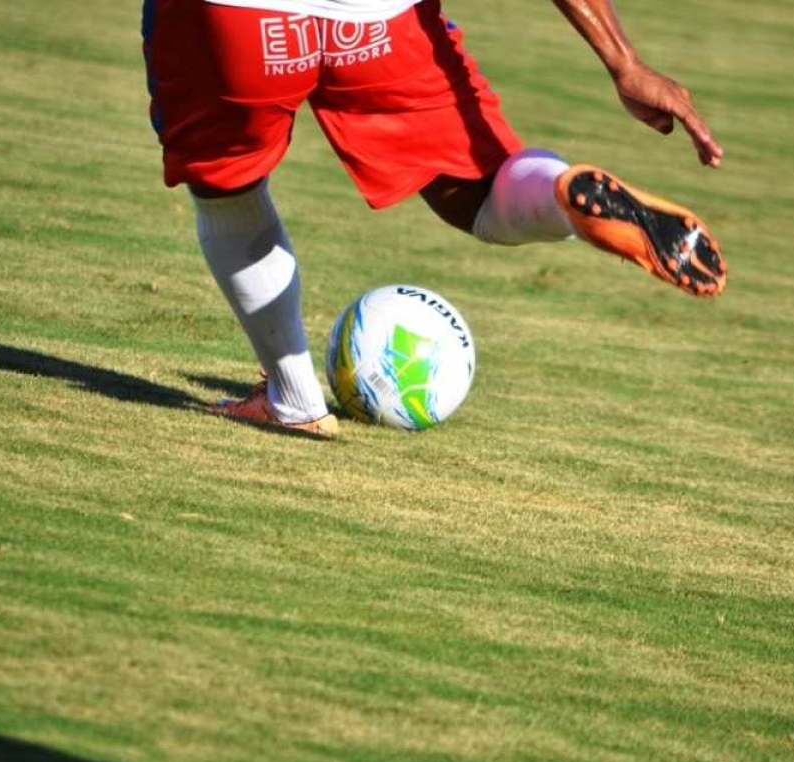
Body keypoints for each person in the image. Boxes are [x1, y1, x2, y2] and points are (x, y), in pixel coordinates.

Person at [142, 0, 727, 438]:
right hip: (378, 21)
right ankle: (558, 197)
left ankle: (294, 400)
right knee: (478, 190)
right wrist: (622, 61)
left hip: (238, 21)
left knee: (227, 186)